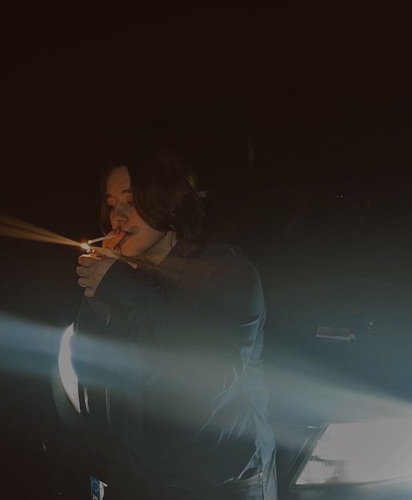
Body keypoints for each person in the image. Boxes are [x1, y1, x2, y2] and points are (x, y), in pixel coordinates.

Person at [51, 139, 277, 499]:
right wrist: (98, 297)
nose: (117, 217)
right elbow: (91, 369)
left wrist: (123, 289)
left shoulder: (226, 272)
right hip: (144, 472)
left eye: (130, 201)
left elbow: (206, 379)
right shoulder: (130, 278)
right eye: (112, 204)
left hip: (220, 479)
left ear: (167, 200)